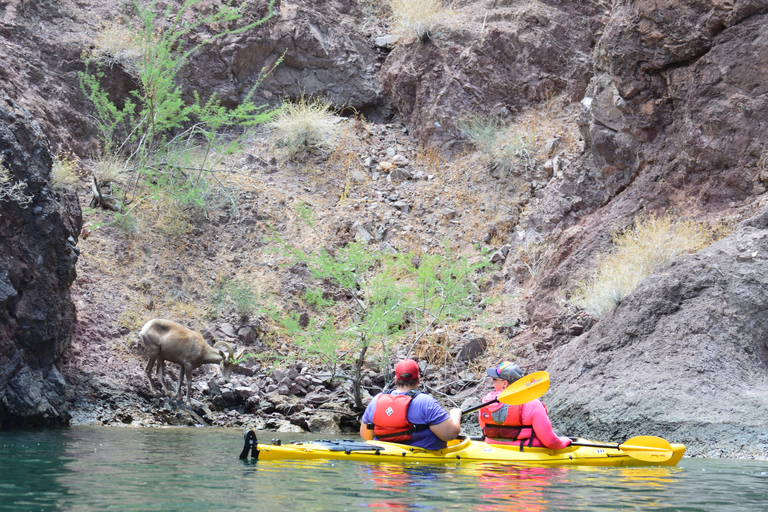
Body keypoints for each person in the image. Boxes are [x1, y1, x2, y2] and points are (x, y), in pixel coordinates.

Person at [360, 359, 462, 450]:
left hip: (382, 465)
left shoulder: (376, 400)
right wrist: (455, 414)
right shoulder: (426, 402)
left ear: (395, 380)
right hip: (420, 466)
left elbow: (366, 436)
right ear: (418, 379)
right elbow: (449, 435)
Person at [479, 361, 571, 449]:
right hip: (525, 452)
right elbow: (551, 442)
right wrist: (564, 441)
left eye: (494, 379)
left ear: (505, 383)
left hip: (492, 449)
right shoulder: (533, 405)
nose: (492, 382)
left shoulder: (487, 402)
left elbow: (484, 427)